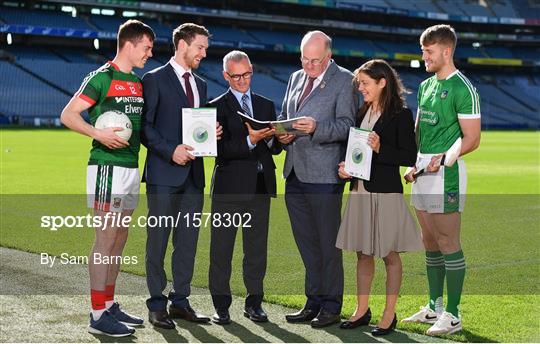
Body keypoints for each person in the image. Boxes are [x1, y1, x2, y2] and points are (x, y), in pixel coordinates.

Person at [60, 19, 155, 337]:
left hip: (130, 168)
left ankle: (109, 303)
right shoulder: (102, 77)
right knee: (104, 239)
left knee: (119, 239)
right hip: (106, 168)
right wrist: (98, 132)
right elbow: (69, 114)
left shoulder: (138, 83)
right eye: (147, 47)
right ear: (130, 43)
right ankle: (97, 314)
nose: (149, 54)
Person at [140, 23, 222, 330]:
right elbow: (145, 127)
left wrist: (211, 133)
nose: (204, 53)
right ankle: (156, 304)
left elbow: (195, 127)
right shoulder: (154, 79)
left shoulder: (200, 84)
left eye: (205, 48)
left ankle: (180, 301)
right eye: (200, 47)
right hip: (163, 173)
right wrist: (169, 150)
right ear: (182, 45)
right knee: (158, 241)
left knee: (187, 242)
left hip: (193, 177)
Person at [401, 24, 481, 336]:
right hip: (422, 170)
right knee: (429, 241)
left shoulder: (463, 88)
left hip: (445, 173)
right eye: (423, 51)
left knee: (448, 242)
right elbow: (418, 131)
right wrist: (412, 162)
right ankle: (433, 305)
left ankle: (454, 313)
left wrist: (444, 158)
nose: (424, 57)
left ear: (446, 51)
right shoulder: (425, 86)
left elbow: (471, 138)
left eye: (428, 51)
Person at [335, 59, 423, 336]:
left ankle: (388, 314)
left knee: (389, 254)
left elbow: (409, 156)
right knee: (362, 252)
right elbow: (357, 151)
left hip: (385, 193)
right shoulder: (362, 111)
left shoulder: (402, 114)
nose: (360, 88)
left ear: (382, 82)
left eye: (365, 83)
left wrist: (381, 147)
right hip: (360, 190)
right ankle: (362, 311)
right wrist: (346, 168)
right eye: (359, 83)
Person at [276, 30, 357, 328]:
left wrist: (316, 127)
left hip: (324, 176)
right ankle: (313, 301)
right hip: (294, 170)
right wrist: (283, 134)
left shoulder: (345, 79)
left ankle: (332, 305)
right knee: (307, 243)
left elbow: (349, 125)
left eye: (315, 60)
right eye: (305, 59)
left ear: (329, 56)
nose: (309, 66)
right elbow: (286, 114)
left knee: (327, 245)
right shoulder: (296, 77)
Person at [207, 50, 282, 325]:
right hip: (229, 189)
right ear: (226, 75)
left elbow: (273, 149)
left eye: (246, 74)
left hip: (260, 187)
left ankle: (254, 303)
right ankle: (221, 305)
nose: (242, 80)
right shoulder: (214, 106)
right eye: (236, 76)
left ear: (252, 70)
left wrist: (279, 139)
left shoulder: (265, 104)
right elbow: (217, 150)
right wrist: (250, 141)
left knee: (256, 251)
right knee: (221, 250)